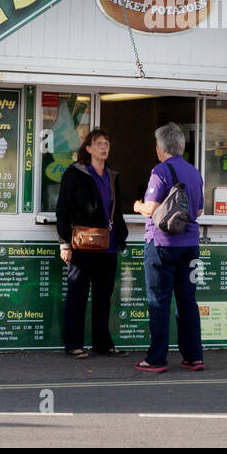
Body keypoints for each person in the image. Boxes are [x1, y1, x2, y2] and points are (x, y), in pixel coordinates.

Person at [133, 122, 204, 373]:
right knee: (187, 301)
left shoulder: (160, 170)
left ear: (160, 147)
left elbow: (151, 209)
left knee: (159, 301)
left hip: (162, 244)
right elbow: (198, 211)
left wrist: (137, 206)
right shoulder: (195, 172)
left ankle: (156, 359)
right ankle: (194, 356)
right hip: (191, 244)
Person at [55, 129, 128, 358]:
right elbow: (63, 209)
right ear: (88, 148)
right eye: (98, 144)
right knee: (77, 295)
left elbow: (118, 210)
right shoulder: (75, 173)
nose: (104, 147)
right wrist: (64, 243)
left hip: (108, 245)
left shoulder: (112, 176)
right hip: (81, 244)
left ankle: (102, 344)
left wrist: (121, 237)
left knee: (103, 298)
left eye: (107, 143)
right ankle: (73, 344)